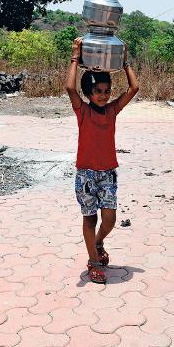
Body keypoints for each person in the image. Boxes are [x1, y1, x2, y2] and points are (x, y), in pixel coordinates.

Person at [64, 37, 139, 284]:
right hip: (86, 174)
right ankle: (93, 262)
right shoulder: (82, 111)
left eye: (107, 91)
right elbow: (70, 88)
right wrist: (75, 56)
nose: (103, 96)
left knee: (110, 219)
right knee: (90, 218)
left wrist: (125, 60)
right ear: (88, 93)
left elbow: (134, 88)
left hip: (108, 173)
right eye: (98, 92)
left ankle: (97, 242)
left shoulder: (112, 110)